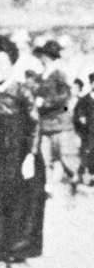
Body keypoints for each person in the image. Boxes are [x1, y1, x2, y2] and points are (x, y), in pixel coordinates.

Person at [0, 36, 44, 268]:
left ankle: (14, 252)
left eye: (2, 62)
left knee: (17, 203)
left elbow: (35, 124)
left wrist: (30, 156)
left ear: (12, 64)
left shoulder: (22, 91)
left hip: (18, 153)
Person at [33, 39, 80, 195]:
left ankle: (71, 178)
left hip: (60, 122)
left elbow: (65, 95)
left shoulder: (59, 75)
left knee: (63, 156)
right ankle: (49, 185)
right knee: (46, 157)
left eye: (44, 56)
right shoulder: (41, 76)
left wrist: (46, 102)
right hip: (45, 123)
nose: (42, 59)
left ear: (48, 57)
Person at [73, 72, 94, 185]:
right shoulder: (85, 100)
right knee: (87, 153)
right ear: (91, 84)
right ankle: (81, 174)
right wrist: (81, 117)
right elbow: (75, 112)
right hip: (88, 132)